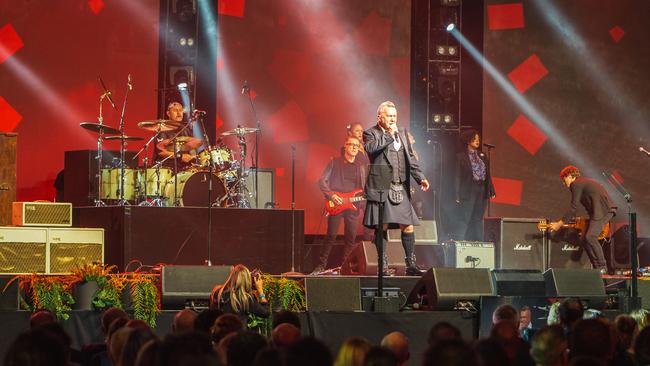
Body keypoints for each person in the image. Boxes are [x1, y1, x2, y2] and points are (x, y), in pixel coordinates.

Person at [363, 101, 430, 276]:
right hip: (382, 187)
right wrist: (389, 136)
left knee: (408, 227)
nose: (393, 119)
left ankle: (411, 264)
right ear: (380, 117)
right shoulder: (370, 133)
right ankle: (382, 265)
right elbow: (371, 149)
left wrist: (420, 178)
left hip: (401, 186)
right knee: (382, 226)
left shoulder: (403, 133)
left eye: (394, 116)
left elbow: (410, 159)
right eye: (389, 116)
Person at [312, 136, 368, 274]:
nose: (355, 147)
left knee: (351, 238)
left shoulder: (361, 167)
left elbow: (364, 187)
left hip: (353, 206)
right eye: (352, 144)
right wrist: (331, 195)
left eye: (357, 145)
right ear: (345, 146)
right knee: (331, 236)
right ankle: (321, 266)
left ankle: (344, 267)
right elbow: (322, 181)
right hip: (336, 203)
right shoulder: (334, 163)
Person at [548, 166, 617, 273]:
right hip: (600, 211)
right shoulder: (581, 183)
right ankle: (597, 267)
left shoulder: (575, 184)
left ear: (570, 176)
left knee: (590, 237)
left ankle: (602, 267)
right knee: (584, 240)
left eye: (564, 179)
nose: (563, 182)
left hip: (603, 210)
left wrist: (559, 224)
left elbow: (573, 208)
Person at [455, 129, 495, 241]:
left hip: (482, 189)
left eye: (478, 139)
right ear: (468, 140)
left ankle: (479, 241)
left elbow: (488, 174)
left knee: (478, 218)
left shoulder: (482, 155)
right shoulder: (461, 156)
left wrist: (491, 189)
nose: (477, 141)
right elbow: (457, 176)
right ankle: (460, 241)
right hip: (469, 189)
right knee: (465, 216)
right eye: (475, 139)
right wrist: (456, 193)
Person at [156, 101, 202, 170]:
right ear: (168, 113)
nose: (179, 113)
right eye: (175, 110)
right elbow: (161, 152)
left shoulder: (186, 130)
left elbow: (192, 148)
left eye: (180, 110)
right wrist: (180, 156)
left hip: (184, 168)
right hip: (167, 168)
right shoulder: (163, 129)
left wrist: (194, 158)